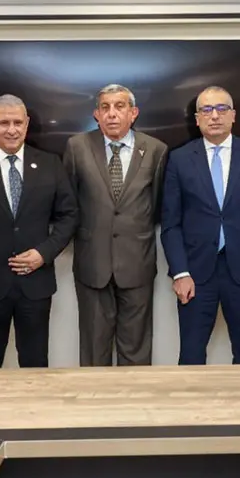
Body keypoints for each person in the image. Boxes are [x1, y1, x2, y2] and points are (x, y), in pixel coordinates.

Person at [0, 94, 77, 368]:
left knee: (35, 365)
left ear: (27, 124)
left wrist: (44, 253)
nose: (11, 129)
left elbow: (70, 216)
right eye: (4, 123)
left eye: (17, 122)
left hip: (35, 284)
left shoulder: (50, 164)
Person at [160, 86, 240, 365]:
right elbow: (171, 223)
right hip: (195, 273)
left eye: (221, 108)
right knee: (191, 355)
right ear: (197, 119)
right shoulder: (179, 158)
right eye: (206, 110)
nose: (214, 116)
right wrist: (180, 273)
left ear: (233, 115)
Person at [63, 84, 168, 366]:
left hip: (137, 262)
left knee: (136, 350)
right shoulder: (77, 147)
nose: (112, 113)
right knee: (94, 350)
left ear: (133, 113)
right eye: (105, 107)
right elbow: (69, 203)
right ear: (96, 115)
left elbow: (157, 204)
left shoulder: (156, 150)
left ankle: (133, 397)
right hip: (92, 263)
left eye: (119, 106)